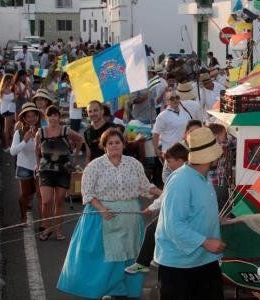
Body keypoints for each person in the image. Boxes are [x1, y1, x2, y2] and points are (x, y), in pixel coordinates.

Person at [57, 128, 160, 299]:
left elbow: (145, 186)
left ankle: (128, 290)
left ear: (123, 144)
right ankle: (109, 290)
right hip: (104, 216)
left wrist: (164, 193)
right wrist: (101, 208)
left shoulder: (133, 164)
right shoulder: (94, 166)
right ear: (104, 146)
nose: (114, 146)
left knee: (131, 254)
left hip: (130, 218)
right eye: (110, 143)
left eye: (117, 142)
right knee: (106, 257)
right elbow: (88, 192)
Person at [154, 127, 226, 299]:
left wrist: (217, 220)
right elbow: (173, 225)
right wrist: (205, 242)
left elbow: (195, 212)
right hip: (180, 266)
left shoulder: (202, 177)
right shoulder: (181, 181)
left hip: (203, 259)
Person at [125, 142, 188, 274]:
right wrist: (152, 207)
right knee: (154, 229)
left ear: (180, 161)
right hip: (174, 210)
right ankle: (150, 260)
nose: (167, 165)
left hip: (179, 213)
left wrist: (151, 207)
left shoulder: (180, 176)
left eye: (169, 161)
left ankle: (150, 260)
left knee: (155, 230)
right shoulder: (181, 174)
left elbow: (166, 196)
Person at [35, 106, 85, 241]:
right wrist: (37, 163)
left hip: (63, 169)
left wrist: (74, 159)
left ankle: (58, 230)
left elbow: (80, 139)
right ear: (46, 117)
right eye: (50, 115)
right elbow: (37, 149)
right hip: (46, 169)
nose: (53, 118)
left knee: (59, 201)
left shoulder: (66, 131)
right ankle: (46, 227)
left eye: (55, 115)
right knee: (46, 201)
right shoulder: (41, 132)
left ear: (59, 117)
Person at [10, 103, 41, 224]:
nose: (31, 119)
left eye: (34, 116)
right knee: (25, 194)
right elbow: (13, 151)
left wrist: (38, 140)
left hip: (38, 166)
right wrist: (25, 140)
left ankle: (43, 222)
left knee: (38, 194)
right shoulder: (19, 133)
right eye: (28, 116)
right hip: (24, 166)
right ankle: (23, 218)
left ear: (37, 117)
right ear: (24, 118)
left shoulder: (42, 131)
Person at [152, 90, 193, 159]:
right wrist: (156, 149)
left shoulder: (185, 112)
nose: (175, 100)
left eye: (177, 97)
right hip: (169, 150)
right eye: (172, 98)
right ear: (167, 101)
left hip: (184, 149)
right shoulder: (162, 116)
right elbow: (156, 133)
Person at [0, 74, 16, 149]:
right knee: (7, 129)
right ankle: (7, 146)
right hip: (7, 110)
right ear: (8, 80)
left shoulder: (8, 88)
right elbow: (11, 99)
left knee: (11, 128)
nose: (13, 81)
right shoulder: (4, 89)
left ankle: (10, 144)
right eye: (12, 79)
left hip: (10, 110)